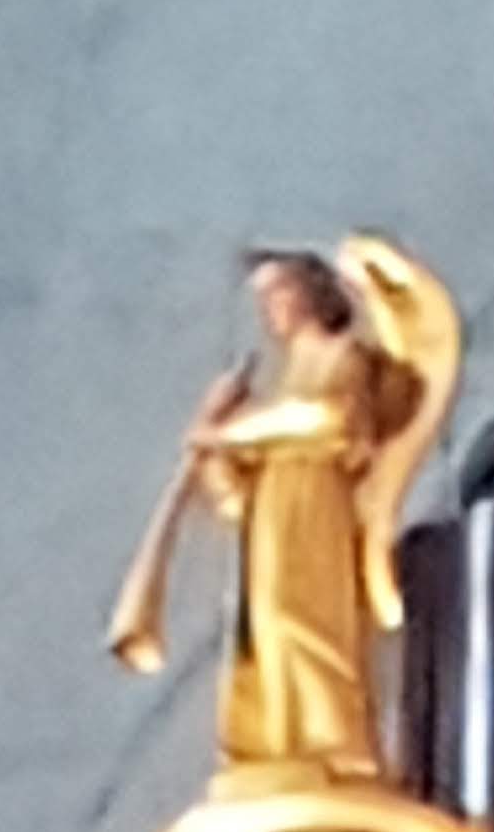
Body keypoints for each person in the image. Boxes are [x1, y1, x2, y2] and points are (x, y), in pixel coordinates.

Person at [108, 241, 450, 780]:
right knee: (267, 627)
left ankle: (337, 745)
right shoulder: (287, 377)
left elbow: (329, 418)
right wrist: (214, 455)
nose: (272, 308)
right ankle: (283, 743)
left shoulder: (344, 355)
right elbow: (235, 496)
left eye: (281, 291)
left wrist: (229, 432)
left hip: (315, 499)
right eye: (265, 298)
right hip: (272, 510)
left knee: (305, 620)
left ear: (314, 294)